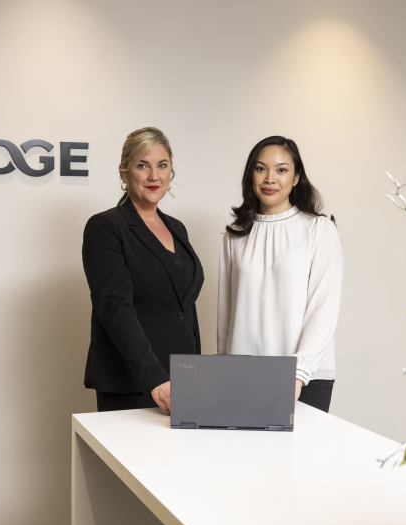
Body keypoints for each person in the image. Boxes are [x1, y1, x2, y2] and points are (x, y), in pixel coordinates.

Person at [82, 127, 204, 414]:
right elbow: (115, 309)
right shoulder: (106, 228)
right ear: (124, 172)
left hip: (183, 379)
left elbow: (184, 309)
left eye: (162, 165)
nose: (153, 176)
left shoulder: (177, 228)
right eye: (142, 165)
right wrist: (156, 379)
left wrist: (195, 373)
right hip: (134, 381)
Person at [217, 136, 343, 412]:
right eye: (260, 168)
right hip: (244, 374)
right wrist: (224, 368)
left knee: (301, 455)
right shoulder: (235, 235)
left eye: (281, 170)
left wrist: (297, 374)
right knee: (243, 456)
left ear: (297, 177)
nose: (269, 178)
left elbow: (323, 307)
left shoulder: (319, 230)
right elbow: (226, 313)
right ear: (250, 174)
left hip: (305, 377)